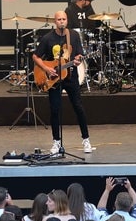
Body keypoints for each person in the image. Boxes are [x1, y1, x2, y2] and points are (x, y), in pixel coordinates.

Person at [32, 11, 93, 154]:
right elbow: (35, 56)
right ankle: (56, 142)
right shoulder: (48, 38)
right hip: (54, 78)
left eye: (64, 19)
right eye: (59, 19)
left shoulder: (74, 35)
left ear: (67, 20)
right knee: (55, 110)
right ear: (55, 21)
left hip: (71, 76)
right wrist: (47, 68)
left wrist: (77, 60)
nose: (62, 21)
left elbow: (78, 54)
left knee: (78, 107)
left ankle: (86, 140)